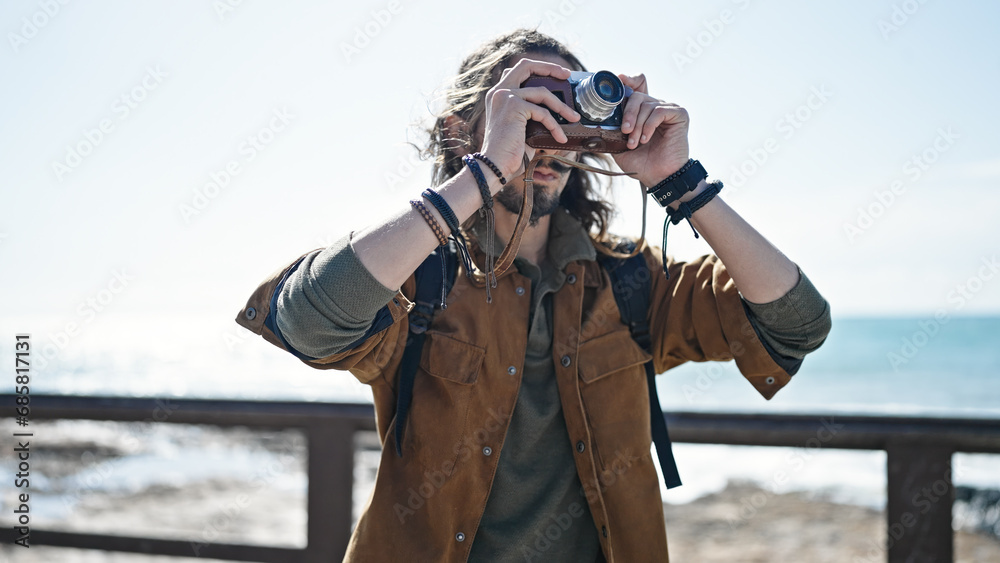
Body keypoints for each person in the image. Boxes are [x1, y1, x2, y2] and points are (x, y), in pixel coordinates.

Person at [235, 29, 831, 563]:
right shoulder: (419, 274)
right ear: (460, 128)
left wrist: (681, 183)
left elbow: (796, 323)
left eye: (566, 106)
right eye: (529, 108)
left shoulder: (630, 281)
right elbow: (305, 321)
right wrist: (488, 169)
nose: (548, 135)